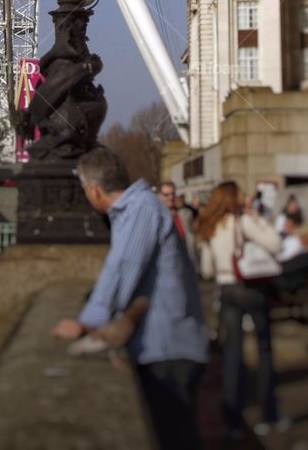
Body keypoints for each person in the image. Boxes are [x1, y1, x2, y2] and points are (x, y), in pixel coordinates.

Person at [52, 147, 209, 450]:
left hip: (169, 347)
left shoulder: (141, 209)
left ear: (93, 190)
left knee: (175, 438)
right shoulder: (136, 209)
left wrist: (88, 320)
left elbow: (124, 266)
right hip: (161, 345)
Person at [196, 180, 289, 440]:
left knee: (232, 354)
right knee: (263, 349)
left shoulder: (211, 226)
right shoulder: (243, 221)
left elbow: (206, 270)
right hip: (248, 287)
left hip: (226, 289)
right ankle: (268, 414)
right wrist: (257, 218)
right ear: (233, 198)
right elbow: (276, 244)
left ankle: (232, 422)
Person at [159, 180, 197, 261]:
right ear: (159, 196)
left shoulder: (185, 214)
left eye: (173, 194)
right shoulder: (156, 217)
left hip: (187, 262)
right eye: (166, 195)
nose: (171, 197)